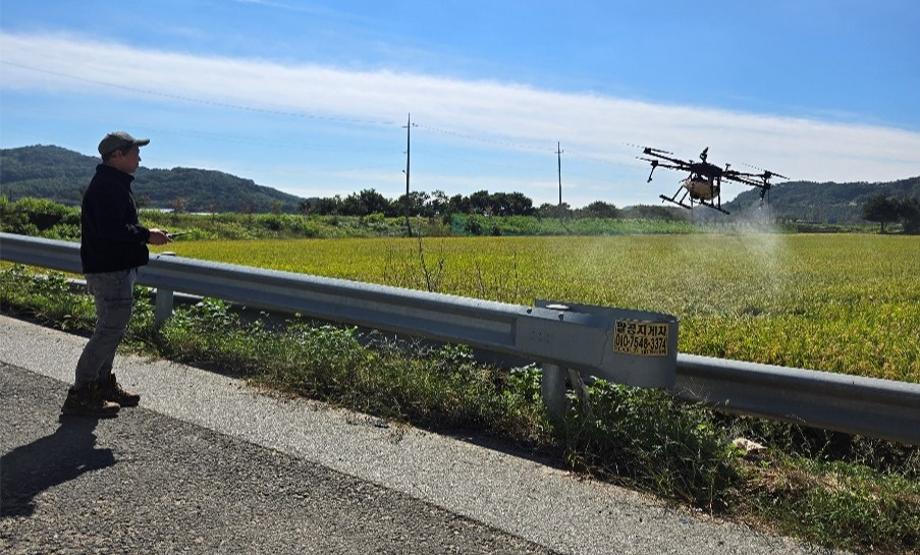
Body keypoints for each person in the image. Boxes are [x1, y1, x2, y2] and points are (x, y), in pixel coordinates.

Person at [61, 131, 171, 417]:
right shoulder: (108, 187)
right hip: (111, 271)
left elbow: (114, 227)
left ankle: (101, 384)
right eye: (134, 152)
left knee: (111, 330)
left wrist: (144, 235)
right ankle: (81, 392)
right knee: (108, 331)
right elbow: (113, 231)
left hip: (113, 269)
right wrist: (147, 235)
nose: (140, 157)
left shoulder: (112, 184)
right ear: (116, 156)